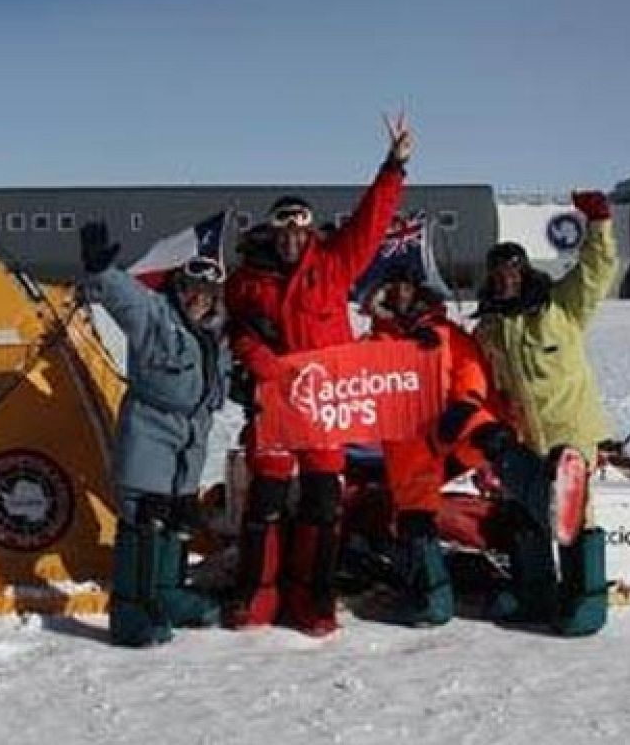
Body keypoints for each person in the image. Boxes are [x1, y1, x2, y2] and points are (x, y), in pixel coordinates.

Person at [224, 113, 414, 636]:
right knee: (264, 503)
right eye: (284, 225)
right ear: (273, 229)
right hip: (276, 407)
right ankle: (256, 599)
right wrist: (263, 365)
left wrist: (393, 167)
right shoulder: (248, 279)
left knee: (322, 506)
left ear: (309, 230)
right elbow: (237, 330)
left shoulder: (333, 264)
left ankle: (312, 601)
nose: (292, 235)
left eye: (300, 225)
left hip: (325, 409)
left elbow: (371, 222)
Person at [471, 189, 618, 637]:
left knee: (576, 515)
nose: (506, 279)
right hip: (523, 440)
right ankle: (534, 595)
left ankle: (585, 602)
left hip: (570, 434)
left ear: (525, 270)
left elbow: (597, 270)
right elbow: (485, 386)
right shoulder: (489, 328)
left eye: (513, 270)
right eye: (498, 273)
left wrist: (599, 222)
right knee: (527, 518)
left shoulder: (561, 307)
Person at [79, 220, 230, 647]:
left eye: (207, 293)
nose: (197, 299)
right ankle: (130, 613)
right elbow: (125, 300)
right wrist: (102, 271)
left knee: (178, 518)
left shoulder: (215, 336)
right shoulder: (156, 318)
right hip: (150, 433)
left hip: (190, 441)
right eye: (190, 289)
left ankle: (168, 594)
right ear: (178, 288)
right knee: (145, 519)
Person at [361, 263, 502, 626]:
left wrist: (465, 403)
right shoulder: (376, 340)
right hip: (407, 439)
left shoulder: (444, 331)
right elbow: (351, 381)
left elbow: (470, 370)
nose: (399, 293)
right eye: (391, 287)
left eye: (405, 285)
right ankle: (432, 596)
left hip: (450, 430)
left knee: (488, 442)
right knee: (414, 513)